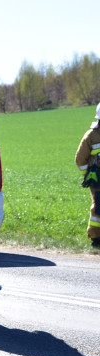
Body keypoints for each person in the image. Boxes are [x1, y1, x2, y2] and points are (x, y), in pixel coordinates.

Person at [75, 103, 100, 248]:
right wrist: (90, 176)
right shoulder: (91, 136)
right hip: (98, 180)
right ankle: (96, 238)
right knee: (98, 207)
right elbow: (80, 159)